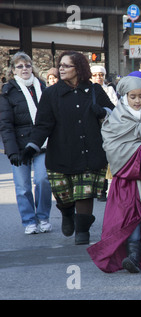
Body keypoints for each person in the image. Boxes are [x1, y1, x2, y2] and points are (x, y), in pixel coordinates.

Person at [21, 51, 115, 245]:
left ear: (78, 69)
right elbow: (43, 125)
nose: (61, 69)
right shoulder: (51, 94)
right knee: (64, 197)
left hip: (90, 152)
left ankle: (82, 232)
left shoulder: (96, 90)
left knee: (85, 192)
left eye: (66, 66)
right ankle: (66, 213)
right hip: (61, 154)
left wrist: (104, 112)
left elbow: (115, 115)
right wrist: (32, 146)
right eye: (60, 65)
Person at [87, 75, 141, 273]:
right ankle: (133, 255)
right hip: (128, 179)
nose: (137, 101)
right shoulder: (116, 118)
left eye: (140, 96)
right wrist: (139, 149)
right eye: (132, 96)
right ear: (125, 97)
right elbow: (111, 145)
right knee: (130, 215)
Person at [0, 51, 52, 235]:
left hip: (42, 144)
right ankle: (29, 220)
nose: (24, 69)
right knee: (23, 187)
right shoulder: (8, 91)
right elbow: (5, 125)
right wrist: (11, 151)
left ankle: (43, 216)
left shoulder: (43, 88)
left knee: (43, 180)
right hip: (20, 147)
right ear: (13, 69)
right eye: (20, 66)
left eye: (27, 65)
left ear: (32, 68)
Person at [91, 65, 118, 202]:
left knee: (107, 158)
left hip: (108, 128)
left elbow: (115, 107)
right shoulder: (89, 90)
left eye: (100, 75)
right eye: (95, 75)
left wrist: (104, 111)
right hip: (94, 129)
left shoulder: (109, 90)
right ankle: (99, 188)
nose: (98, 77)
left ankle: (104, 188)